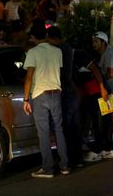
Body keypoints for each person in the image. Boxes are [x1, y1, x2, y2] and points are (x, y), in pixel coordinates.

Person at [23, 19, 70, 178]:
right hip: (56, 93)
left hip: (40, 94)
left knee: (43, 133)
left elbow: (29, 77)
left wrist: (26, 99)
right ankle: (64, 165)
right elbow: (59, 72)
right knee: (59, 130)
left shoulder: (33, 52)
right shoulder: (57, 51)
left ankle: (48, 168)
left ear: (33, 37)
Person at [46, 26, 83, 168]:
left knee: (65, 126)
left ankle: (68, 159)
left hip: (65, 91)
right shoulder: (68, 48)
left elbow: (61, 73)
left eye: (49, 39)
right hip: (72, 90)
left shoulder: (59, 50)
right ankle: (76, 158)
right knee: (74, 125)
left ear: (53, 38)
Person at [73, 49, 113, 162]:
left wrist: (102, 88)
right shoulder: (75, 56)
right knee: (101, 122)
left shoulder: (78, 55)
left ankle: (101, 150)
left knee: (101, 122)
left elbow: (95, 70)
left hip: (99, 93)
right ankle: (106, 149)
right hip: (94, 93)